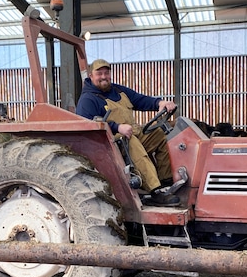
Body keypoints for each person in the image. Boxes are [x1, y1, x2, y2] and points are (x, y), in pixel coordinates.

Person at [76, 59, 180, 207]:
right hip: (111, 145)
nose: (104, 76)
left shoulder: (118, 90)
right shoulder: (88, 99)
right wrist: (117, 127)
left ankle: (166, 180)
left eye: (106, 73)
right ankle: (155, 190)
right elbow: (88, 124)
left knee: (160, 133)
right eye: (99, 73)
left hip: (132, 132)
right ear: (91, 76)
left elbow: (140, 100)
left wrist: (159, 103)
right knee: (131, 140)